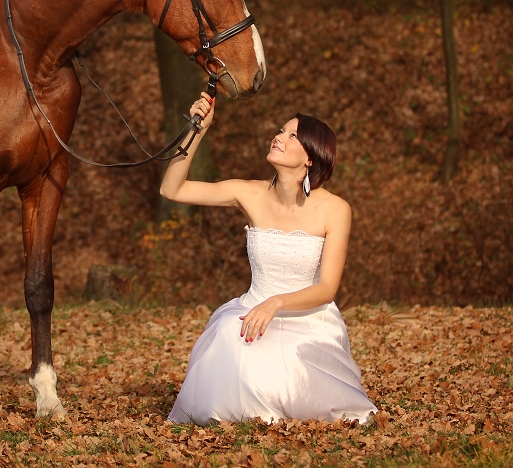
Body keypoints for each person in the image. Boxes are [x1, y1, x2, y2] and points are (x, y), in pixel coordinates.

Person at [161, 93, 376, 425]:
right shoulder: (248, 193)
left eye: (292, 135)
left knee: (288, 368)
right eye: (280, 130)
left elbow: (327, 288)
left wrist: (275, 303)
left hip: (308, 320)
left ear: (311, 157)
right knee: (230, 338)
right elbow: (172, 190)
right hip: (252, 309)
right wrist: (197, 130)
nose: (279, 137)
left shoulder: (335, 209)